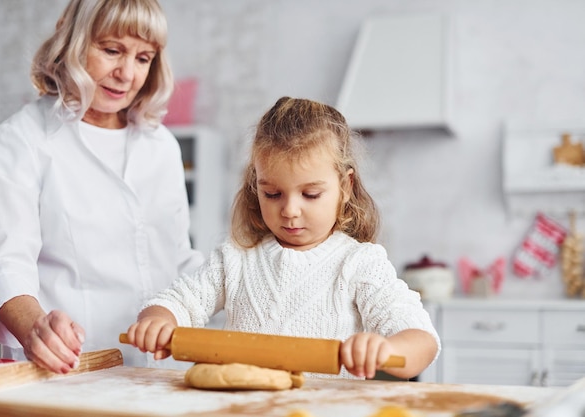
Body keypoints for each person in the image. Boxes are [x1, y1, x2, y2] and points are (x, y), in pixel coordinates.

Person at [0, 0, 204, 374]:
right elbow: (5, 265)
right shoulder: (17, 143)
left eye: (144, 58)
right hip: (67, 372)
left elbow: (177, 258)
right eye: (112, 51)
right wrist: (36, 329)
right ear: (71, 40)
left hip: (158, 374)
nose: (127, 74)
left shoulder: (161, 146)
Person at [126, 96, 440, 380]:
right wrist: (158, 319)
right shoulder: (235, 258)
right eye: (272, 193)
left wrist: (384, 350)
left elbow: (420, 339)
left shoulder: (359, 264)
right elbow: (179, 301)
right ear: (256, 186)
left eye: (311, 194)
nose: (289, 210)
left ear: (345, 187)